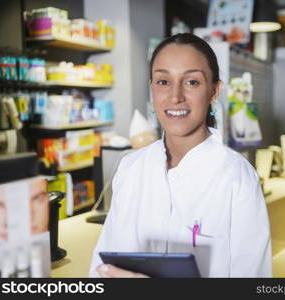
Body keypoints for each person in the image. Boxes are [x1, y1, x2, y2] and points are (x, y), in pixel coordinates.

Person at [90, 33, 272, 278]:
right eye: (163, 82)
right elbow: (101, 270)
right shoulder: (131, 168)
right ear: (152, 89)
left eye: (192, 82)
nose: (175, 96)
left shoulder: (237, 178)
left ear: (214, 91)